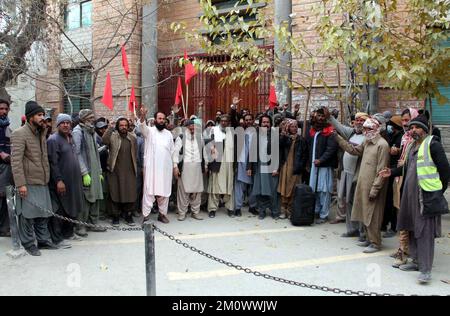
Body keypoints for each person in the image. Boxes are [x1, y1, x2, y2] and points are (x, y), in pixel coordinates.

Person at [379, 115, 450, 284]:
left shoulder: (433, 145)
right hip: (409, 196)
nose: (412, 130)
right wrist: (392, 172)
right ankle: (416, 261)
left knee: (424, 232)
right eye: (410, 128)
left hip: (425, 196)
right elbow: (407, 167)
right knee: (410, 227)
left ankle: (425, 270)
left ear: (424, 129)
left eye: (416, 127)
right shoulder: (412, 145)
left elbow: (445, 170)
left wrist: (439, 192)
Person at [335, 118, 390, 253]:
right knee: (364, 213)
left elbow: (382, 170)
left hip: (373, 186)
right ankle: (368, 238)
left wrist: (375, 188)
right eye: (364, 129)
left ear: (376, 129)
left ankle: (375, 243)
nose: (365, 131)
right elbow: (353, 150)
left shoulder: (382, 145)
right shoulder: (367, 142)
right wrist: (337, 138)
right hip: (363, 183)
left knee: (373, 215)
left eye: (368, 129)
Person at [11, 101, 55, 256]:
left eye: (43, 114)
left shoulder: (40, 133)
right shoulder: (19, 133)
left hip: (42, 180)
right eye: (39, 115)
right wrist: (21, 184)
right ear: (30, 117)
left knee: (43, 214)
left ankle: (43, 241)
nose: (43, 118)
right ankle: (29, 243)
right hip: (28, 182)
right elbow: (16, 161)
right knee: (27, 216)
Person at [326, 110, 368, 237]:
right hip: (346, 172)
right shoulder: (351, 133)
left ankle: (362, 231)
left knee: (357, 202)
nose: (359, 123)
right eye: (357, 120)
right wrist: (330, 117)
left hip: (357, 174)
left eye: (362, 120)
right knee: (348, 201)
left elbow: (354, 151)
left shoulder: (367, 137)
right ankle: (351, 229)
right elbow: (338, 126)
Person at [47, 114, 84, 247]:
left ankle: (68, 233)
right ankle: (57, 238)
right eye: (63, 123)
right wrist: (58, 181)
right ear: (58, 125)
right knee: (60, 210)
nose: (66, 125)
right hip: (62, 182)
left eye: (68, 123)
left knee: (72, 206)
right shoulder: (53, 140)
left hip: (73, 181)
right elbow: (53, 163)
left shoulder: (70, 138)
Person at [138, 108, 174, 224]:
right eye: (159, 118)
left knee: (164, 192)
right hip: (152, 169)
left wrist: (175, 166)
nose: (162, 120)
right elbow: (142, 127)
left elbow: (172, 151)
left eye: (163, 119)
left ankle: (162, 214)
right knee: (149, 192)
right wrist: (142, 116)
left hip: (165, 169)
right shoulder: (149, 131)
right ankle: (145, 215)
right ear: (155, 120)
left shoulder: (168, 134)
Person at [73, 109, 106, 236]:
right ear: (84, 118)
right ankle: (81, 225)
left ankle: (93, 223)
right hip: (86, 171)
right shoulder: (78, 131)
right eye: (90, 117)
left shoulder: (91, 131)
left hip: (95, 170)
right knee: (86, 199)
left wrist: (99, 171)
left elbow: (96, 151)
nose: (93, 119)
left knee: (96, 196)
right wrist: (84, 172)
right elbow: (77, 153)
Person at [103, 117, 138, 227]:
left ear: (128, 127)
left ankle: (128, 215)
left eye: (125, 125)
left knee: (130, 193)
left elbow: (135, 153)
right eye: (121, 125)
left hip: (129, 170)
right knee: (115, 193)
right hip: (115, 170)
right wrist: (109, 128)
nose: (123, 127)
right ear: (118, 126)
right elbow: (104, 141)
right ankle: (115, 216)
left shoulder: (132, 137)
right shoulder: (113, 136)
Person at [307, 108, 338, 224]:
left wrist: (321, 160)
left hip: (324, 166)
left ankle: (324, 214)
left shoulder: (330, 131)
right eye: (318, 116)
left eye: (322, 116)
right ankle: (316, 210)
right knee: (314, 189)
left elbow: (331, 149)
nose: (320, 118)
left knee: (324, 190)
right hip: (314, 166)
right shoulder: (313, 130)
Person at [173, 120, 205, 221]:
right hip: (185, 167)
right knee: (183, 191)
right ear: (185, 127)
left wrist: (206, 164)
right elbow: (175, 153)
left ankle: (195, 212)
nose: (192, 128)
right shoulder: (181, 137)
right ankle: (182, 212)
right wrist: (175, 166)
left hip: (197, 166)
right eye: (190, 126)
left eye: (193, 126)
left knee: (197, 190)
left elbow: (204, 152)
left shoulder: (200, 137)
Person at [251, 114, 281, 220]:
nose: (265, 124)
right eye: (263, 122)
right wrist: (250, 167)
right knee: (261, 189)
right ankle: (262, 211)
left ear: (270, 124)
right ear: (260, 124)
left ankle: (274, 211)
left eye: (267, 122)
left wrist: (277, 168)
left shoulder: (275, 135)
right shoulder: (256, 135)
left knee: (272, 190)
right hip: (260, 165)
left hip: (272, 165)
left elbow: (279, 153)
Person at [277, 119, 308, 219]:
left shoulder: (301, 139)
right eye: (292, 127)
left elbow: (304, 155)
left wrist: (301, 166)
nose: (294, 129)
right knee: (284, 188)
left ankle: (290, 210)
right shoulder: (285, 138)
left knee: (293, 188)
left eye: (295, 127)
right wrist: (283, 133)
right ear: (288, 128)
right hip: (285, 166)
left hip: (296, 167)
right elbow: (280, 145)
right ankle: (283, 210)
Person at [207, 114, 235, 218]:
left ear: (229, 123)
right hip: (217, 163)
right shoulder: (214, 131)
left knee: (229, 186)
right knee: (215, 186)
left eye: (225, 121)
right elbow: (209, 144)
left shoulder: (232, 132)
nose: (223, 123)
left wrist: (233, 108)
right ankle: (212, 209)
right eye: (221, 121)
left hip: (229, 163)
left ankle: (230, 208)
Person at [234, 114, 257, 217]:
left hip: (253, 162)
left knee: (253, 186)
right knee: (240, 186)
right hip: (242, 161)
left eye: (249, 119)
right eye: (246, 120)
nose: (248, 121)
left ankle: (252, 207)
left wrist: (250, 166)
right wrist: (233, 108)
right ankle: (238, 208)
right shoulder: (240, 131)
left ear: (253, 120)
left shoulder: (257, 132)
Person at [0, 99, 13, 237]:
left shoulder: (7, 125)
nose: (3, 111)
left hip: (7, 166)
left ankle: (4, 228)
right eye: (1, 109)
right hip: (2, 166)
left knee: (6, 198)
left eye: (5, 109)